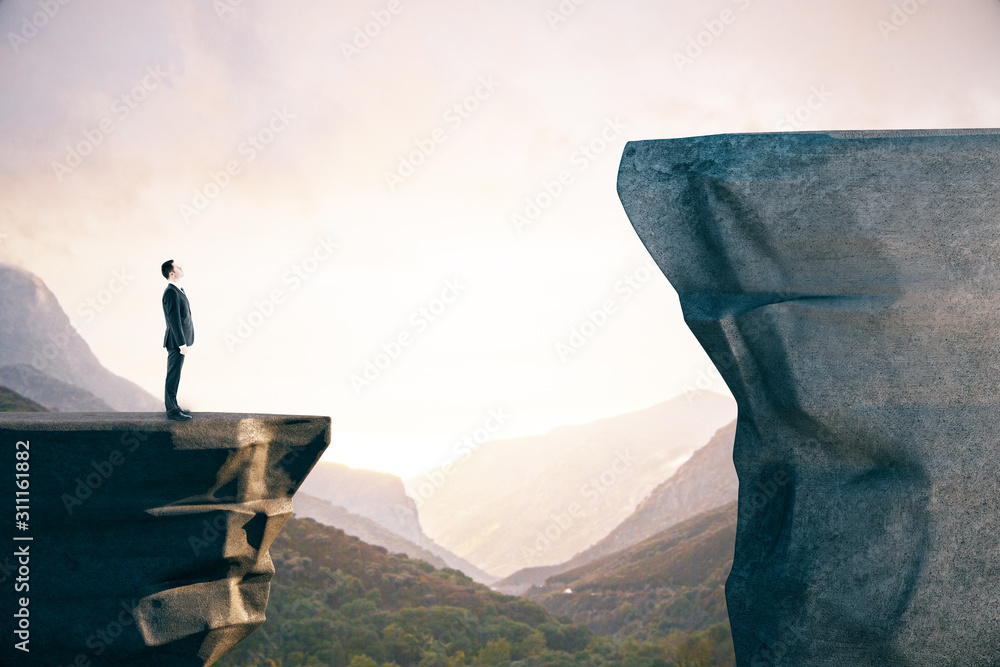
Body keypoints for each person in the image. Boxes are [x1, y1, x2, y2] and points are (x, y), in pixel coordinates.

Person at [161, 259, 194, 421]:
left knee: (175, 373)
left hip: (179, 340)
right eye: (177, 266)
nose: (181, 267)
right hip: (176, 341)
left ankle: (174, 406)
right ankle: (172, 411)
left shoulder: (177, 290)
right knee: (173, 374)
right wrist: (181, 343)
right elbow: (174, 320)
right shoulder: (171, 292)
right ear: (172, 273)